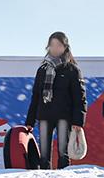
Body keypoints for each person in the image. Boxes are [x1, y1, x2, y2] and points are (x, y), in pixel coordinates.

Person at [25, 31, 87, 169]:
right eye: (52, 45)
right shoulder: (42, 69)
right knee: (44, 154)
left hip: (64, 116)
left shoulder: (72, 69)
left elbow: (80, 97)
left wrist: (78, 120)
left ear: (65, 47)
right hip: (44, 115)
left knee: (63, 152)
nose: (55, 48)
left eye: (58, 45)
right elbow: (36, 96)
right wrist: (29, 121)